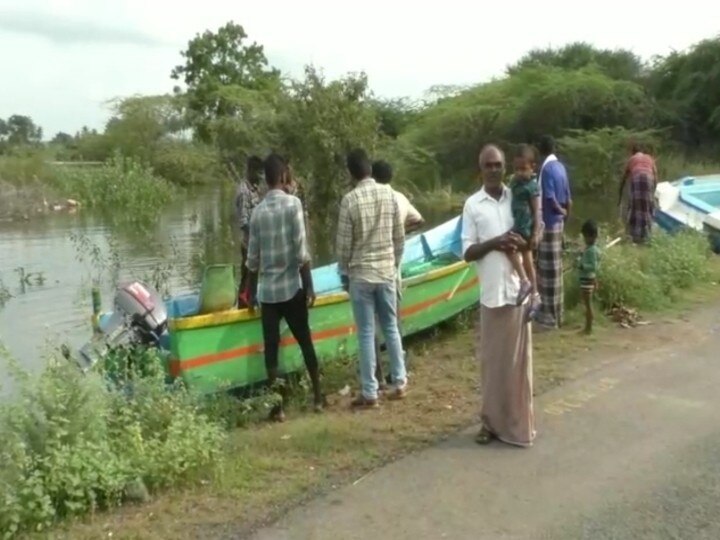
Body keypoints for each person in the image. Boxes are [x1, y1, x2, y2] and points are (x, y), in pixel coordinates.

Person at [461, 144, 535, 447]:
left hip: (518, 291)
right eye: (488, 165)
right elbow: (467, 252)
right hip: (492, 294)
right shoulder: (472, 205)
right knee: (493, 366)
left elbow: (530, 238)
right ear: (480, 169)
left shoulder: (516, 195)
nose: (494, 169)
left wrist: (523, 242)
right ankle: (490, 423)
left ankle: (517, 425)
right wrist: (495, 241)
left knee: (518, 368)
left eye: (498, 165)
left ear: (505, 167)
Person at [246, 153, 324, 421]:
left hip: (268, 293)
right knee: (305, 341)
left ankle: (278, 408)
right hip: (292, 287)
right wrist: (310, 287)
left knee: (271, 348)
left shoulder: (256, 213)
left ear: (266, 180)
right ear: (282, 177)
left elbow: (252, 260)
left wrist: (249, 293)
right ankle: (316, 397)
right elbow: (301, 251)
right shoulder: (293, 205)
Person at [336, 148, 407, 409]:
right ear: (369, 168)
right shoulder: (389, 194)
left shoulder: (350, 200)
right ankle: (399, 382)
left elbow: (343, 246)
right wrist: (393, 263)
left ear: (351, 173)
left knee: (366, 332)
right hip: (387, 272)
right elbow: (399, 238)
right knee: (390, 327)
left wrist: (344, 273)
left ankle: (370, 391)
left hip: (362, 275)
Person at [371, 159, 424, 386]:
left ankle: (378, 376)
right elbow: (420, 220)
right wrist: (401, 232)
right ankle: (398, 373)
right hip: (393, 270)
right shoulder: (399, 198)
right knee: (393, 325)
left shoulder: (370, 199)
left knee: (371, 327)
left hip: (370, 271)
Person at [536, 135, 572, 329]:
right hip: (559, 224)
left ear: (541, 151)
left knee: (548, 272)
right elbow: (569, 198)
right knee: (557, 270)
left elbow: (549, 198)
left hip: (549, 224)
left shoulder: (547, 169)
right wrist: (566, 216)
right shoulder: (561, 168)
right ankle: (559, 313)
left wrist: (560, 211)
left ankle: (549, 316)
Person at [507, 144, 542, 312]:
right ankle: (534, 295)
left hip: (526, 229)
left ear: (532, 167)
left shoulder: (532, 186)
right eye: (517, 169)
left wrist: (535, 233)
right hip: (516, 225)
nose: (520, 172)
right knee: (526, 260)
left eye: (523, 169)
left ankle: (526, 283)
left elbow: (536, 211)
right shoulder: (514, 182)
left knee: (520, 256)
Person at [235, 155, 264, 307]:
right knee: (247, 277)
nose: (261, 177)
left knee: (251, 277)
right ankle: (244, 308)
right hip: (249, 243)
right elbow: (243, 221)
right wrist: (257, 236)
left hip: (256, 242)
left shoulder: (254, 188)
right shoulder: (244, 192)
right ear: (251, 170)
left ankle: (248, 303)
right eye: (258, 173)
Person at [619, 143, 657, 244]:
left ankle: (634, 235)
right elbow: (655, 176)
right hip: (649, 179)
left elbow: (623, 179)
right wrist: (652, 193)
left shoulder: (632, 159)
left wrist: (619, 197)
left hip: (636, 178)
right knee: (647, 207)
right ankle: (646, 235)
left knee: (635, 207)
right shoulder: (649, 158)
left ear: (633, 152)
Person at [577, 219, 601, 335]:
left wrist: (582, 265)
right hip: (587, 279)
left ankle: (588, 328)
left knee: (588, 304)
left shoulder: (591, 251)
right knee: (586, 304)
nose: (584, 239)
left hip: (587, 280)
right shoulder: (591, 249)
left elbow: (593, 266)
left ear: (591, 236)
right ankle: (587, 326)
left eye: (585, 237)